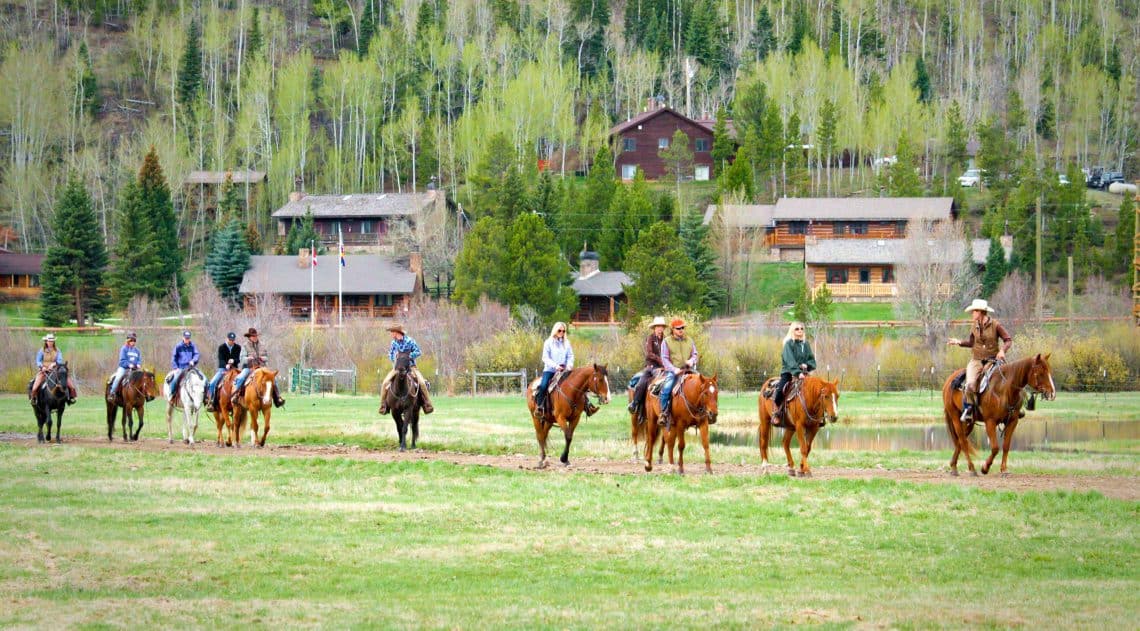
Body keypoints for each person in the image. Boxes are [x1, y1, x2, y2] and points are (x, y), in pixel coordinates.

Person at [947, 298, 1012, 422]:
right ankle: (968, 409)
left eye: (973, 311)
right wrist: (958, 342)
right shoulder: (974, 326)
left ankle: (1013, 409)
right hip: (976, 361)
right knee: (970, 385)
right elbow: (971, 343)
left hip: (993, 361)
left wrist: (1002, 351)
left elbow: (1008, 340)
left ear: (980, 312)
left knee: (1007, 381)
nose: (972, 314)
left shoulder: (996, 325)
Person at [378, 324, 434, 415]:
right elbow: (391, 354)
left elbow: (418, 352)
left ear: (397, 332)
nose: (391, 334)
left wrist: (408, 357)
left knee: (422, 383)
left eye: (392, 332)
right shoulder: (393, 343)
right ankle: (383, 406)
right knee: (385, 383)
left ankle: (427, 404)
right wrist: (394, 359)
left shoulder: (410, 341)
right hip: (397, 368)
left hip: (411, 367)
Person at [772, 321, 817, 427]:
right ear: (792, 330)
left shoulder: (805, 344)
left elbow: (812, 360)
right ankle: (777, 412)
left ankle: (817, 415)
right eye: (797, 329)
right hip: (788, 372)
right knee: (781, 389)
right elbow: (790, 360)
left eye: (801, 328)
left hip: (804, 374)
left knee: (816, 390)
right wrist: (797, 372)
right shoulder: (788, 344)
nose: (800, 331)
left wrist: (807, 365)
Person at [658, 318, 699, 428]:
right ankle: (664, 413)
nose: (681, 330)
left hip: (688, 370)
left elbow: (695, 354)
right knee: (666, 388)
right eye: (678, 328)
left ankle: (702, 413)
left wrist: (692, 360)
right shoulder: (666, 341)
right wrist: (674, 369)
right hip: (674, 371)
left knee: (704, 385)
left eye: (682, 328)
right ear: (673, 329)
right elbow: (665, 359)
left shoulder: (689, 340)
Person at [230, 327, 285, 408]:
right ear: (249, 337)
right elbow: (241, 359)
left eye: (255, 336)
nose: (255, 337)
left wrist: (263, 358)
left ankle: (277, 397)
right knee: (241, 378)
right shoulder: (245, 346)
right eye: (253, 336)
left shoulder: (262, 345)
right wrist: (248, 358)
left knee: (273, 379)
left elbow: (267, 357)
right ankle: (235, 395)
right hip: (249, 367)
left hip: (261, 368)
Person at [627, 316, 667, 416]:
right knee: (641, 383)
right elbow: (649, 354)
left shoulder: (666, 339)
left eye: (661, 327)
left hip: (665, 367)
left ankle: (666, 408)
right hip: (651, 366)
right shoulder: (650, 338)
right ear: (654, 328)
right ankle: (635, 403)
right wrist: (661, 361)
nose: (660, 329)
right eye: (658, 327)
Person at [534, 322, 574, 414]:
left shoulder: (567, 343)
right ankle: (539, 407)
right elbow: (545, 357)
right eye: (559, 330)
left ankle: (587, 406)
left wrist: (569, 365)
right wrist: (556, 366)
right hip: (550, 370)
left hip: (564, 370)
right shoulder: (548, 342)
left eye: (563, 331)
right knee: (543, 386)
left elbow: (570, 356)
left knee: (577, 383)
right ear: (555, 330)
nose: (562, 333)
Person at [30, 333, 77, 405]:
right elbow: (38, 361)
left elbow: (60, 360)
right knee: (35, 387)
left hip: (56, 370)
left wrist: (53, 364)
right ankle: (34, 399)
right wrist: (42, 367)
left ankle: (70, 398)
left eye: (52, 341)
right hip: (44, 371)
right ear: (46, 341)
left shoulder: (57, 350)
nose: (50, 342)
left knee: (71, 385)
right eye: (49, 341)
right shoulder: (41, 350)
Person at [207, 332, 241, 408]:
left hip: (234, 369)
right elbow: (221, 359)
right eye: (230, 340)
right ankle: (211, 400)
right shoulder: (221, 347)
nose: (232, 341)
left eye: (233, 340)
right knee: (212, 383)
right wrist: (226, 365)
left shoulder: (238, 347)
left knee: (242, 381)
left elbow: (239, 359)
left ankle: (242, 400)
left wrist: (233, 361)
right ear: (227, 339)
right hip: (223, 368)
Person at [107, 332, 142, 403]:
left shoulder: (137, 351)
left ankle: (143, 396)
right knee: (117, 378)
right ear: (128, 341)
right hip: (124, 368)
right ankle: (112, 393)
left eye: (134, 341)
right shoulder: (124, 349)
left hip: (134, 370)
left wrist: (138, 364)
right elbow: (122, 360)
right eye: (131, 340)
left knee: (142, 379)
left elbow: (139, 359)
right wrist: (129, 364)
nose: (133, 342)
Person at [167, 330, 200, 395]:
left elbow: (197, 354)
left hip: (190, 368)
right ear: (183, 338)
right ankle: (171, 394)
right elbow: (173, 357)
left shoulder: (193, 346)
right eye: (186, 338)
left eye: (188, 338)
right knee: (175, 379)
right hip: (181, 368)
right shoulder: (178, 346)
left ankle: (204, 396)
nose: (187, 340)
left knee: (201, 377)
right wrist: (175, 367)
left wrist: (193, 360)